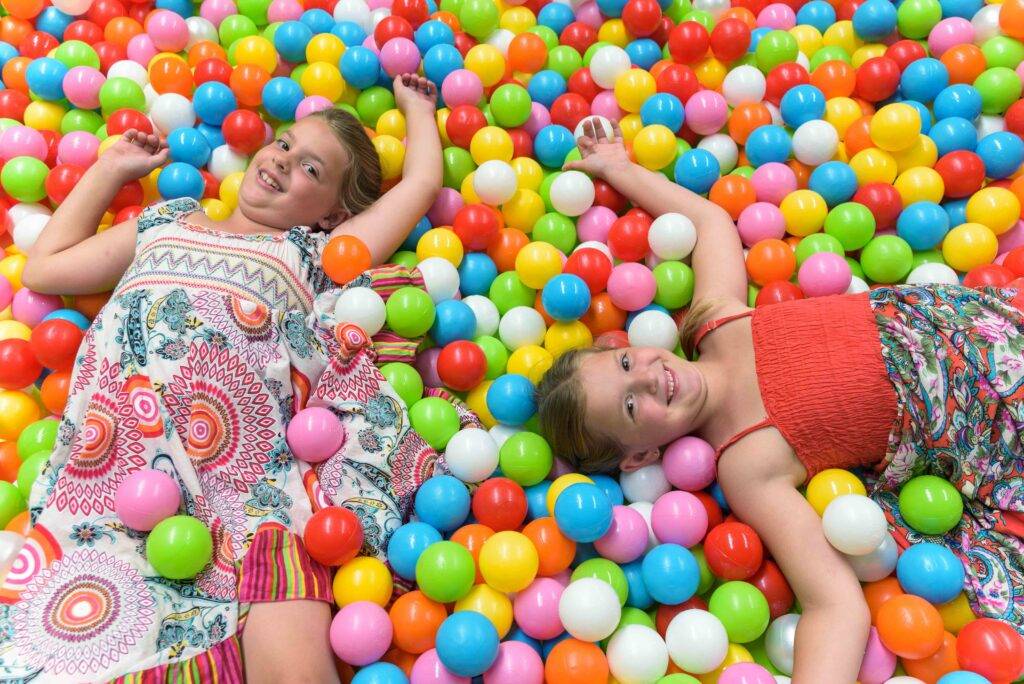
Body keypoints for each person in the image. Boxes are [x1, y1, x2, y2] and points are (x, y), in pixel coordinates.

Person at [538, 120, 1024, 682]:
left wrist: (619, 169)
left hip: (972, 327)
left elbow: (710, 222)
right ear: (640, 457)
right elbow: (833, 604)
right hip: (981, 416)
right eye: (629, 407)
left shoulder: (715, 321)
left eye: (626, 363)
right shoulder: (745, 463)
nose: (647, 378)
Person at [0, 74, 444, 683]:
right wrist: (111, 168)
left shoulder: (316, 252)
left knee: (272, 570)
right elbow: (45, 269)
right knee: (83, 602)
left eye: (311, 169)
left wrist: (417, 107)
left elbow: (420, 185)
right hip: (120, 455)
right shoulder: (167, 221)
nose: (283, 162)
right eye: (284, 144)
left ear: (334, 213)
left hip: (240, 466)